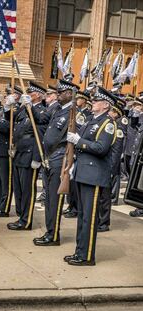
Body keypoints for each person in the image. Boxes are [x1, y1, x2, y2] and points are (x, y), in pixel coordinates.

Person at [64, 86, 116, 266]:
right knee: (82, 216)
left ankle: (86, 256)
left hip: (93, 175)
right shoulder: (91, 120)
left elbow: (101, 148)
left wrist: (80, 141)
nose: (92, 102)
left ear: (106, 105)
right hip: (83, 172)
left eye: (96, 101)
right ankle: (79, 252)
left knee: (89, 217)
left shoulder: (107, 124)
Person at [33, 79, 79, 246]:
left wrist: (70, 161)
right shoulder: (57, 110)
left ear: (69, 94)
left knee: (55, 199)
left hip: (60, 159)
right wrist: (29, 105)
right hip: (50, 158)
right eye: (57, 92)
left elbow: (75, 139)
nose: (57, 95)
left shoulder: (74, 113)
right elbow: (40, 119)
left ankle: (53, 235)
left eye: (61, 92)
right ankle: (49, 231)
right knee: (49, 200)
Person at [7, 81, 47, 230]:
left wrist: (37, 158)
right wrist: (7, 106)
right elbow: (10, 119)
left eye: (30, 93)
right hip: (19, 151)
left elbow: (39, 136)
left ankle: (26, 220)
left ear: (37, 96)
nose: (27, 95)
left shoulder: (42, 112)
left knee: (27, 190)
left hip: (30, 154)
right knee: (18, 189)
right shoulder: (24, 109)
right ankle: (20, 216)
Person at [98, 96, 126, 231]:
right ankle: (99, 220)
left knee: (105, 197)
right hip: (102, 166)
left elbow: (116, 152)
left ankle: (103, 223)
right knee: (100, 196)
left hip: (109, 167)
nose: (109, 113)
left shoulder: (117, 127)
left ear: (116, 113)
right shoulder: (108, 124)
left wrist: (110, 171)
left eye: (111, 111)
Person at [63, 90, 93, 219]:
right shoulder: (77, 112)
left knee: (75, 183)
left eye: (80, 99)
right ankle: (71, 205)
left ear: (85, 100)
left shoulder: (86, 114)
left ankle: (74, 207)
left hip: (79, 147)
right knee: (70, 180)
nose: (77, 101)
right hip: (73, 147)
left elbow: (81, 133)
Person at [37, 85, 60, 204]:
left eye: (50, 95)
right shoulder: (49, 107)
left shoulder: (56, 107)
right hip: (45, 142)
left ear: (55, 96)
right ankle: (45, 193)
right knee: (45, 169)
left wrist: (30, 107)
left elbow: (43, 119)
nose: (47, 96)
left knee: (48, 170)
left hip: (51, 145)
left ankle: (47, 193)